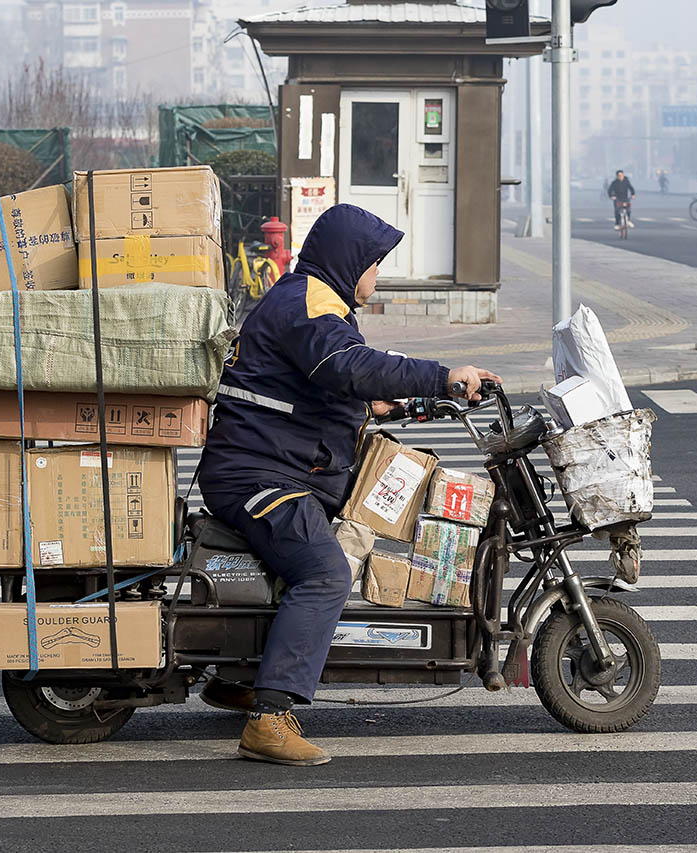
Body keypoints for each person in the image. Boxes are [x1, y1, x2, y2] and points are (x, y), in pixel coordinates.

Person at [196, 203, 499, 766]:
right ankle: (268, 718)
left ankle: (235, 679)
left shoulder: (314, 300)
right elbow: (349, 366)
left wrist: (393, 399)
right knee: (324, 571)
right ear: (350, 258)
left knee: (315, 553)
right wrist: (442, 374)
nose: (377, 275)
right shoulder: (307, 301)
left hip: (279, 463)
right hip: (257, 474)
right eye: (375, 263)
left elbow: (331, 377)